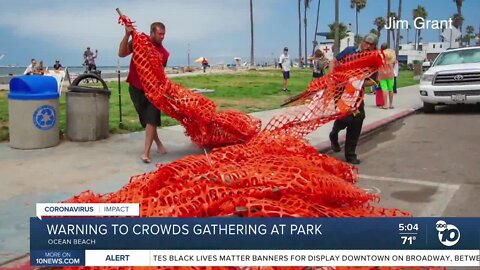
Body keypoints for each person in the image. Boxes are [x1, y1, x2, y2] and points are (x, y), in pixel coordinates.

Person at [119, 21, 168, 163]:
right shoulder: (140, 41)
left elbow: (161, 74)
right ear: (152, 33)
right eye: (159, 34)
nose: (162, 37)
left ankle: (146, 153)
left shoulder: (164, 53)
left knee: (151, 118)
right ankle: (158, 144)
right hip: (135, 87)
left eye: (164, 34)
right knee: (146, 121)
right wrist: (127, 34)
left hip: (153, 91)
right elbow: (122, 53)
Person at [329, 33, 379, 164]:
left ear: (374, 47)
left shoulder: (373, 61)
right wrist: (331, 77)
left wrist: (358, 82)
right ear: (362, 42)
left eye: (371, 45)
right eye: (366, 43)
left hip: (356, 93)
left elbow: (373, 81)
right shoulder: (350, 51)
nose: (368, 46)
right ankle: (334, 133)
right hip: (341, 90)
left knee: (358, 119)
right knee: (345, 117)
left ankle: (350, 154)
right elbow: (334, 61)